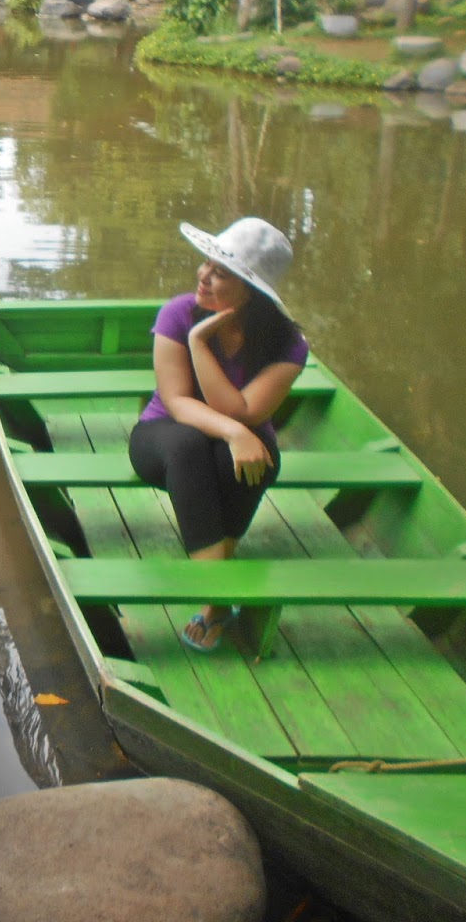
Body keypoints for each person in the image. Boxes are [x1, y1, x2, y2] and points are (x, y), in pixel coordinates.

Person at [128, 217, 308, 652]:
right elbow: (176, 401)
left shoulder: (288, 344)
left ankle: (215, 595)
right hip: (164, 437)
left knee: (256, 458)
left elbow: (243, 412)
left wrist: (201, 348)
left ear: (252, 292)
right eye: (206, 264)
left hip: (239, 440)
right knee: (191, 445)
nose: (203, 276)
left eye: (220, 272)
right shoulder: (178, 313)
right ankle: (221, 596)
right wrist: (194, 339)